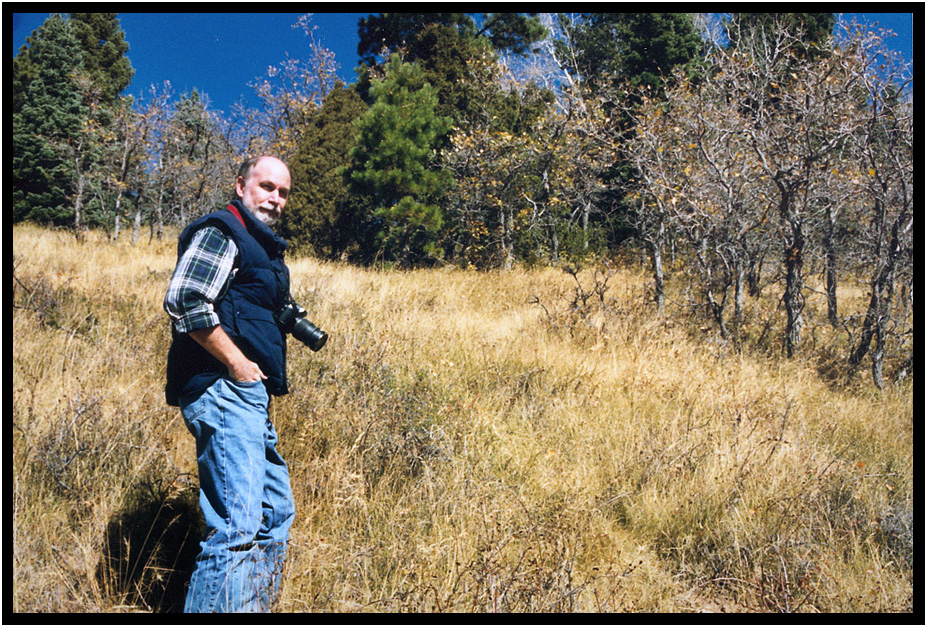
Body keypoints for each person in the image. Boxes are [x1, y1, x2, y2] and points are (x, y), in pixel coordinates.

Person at [164, 156, 297, 613]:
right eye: (266, 187)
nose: (275, 199)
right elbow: (185, 299)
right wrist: (238, 364)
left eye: (283, 192)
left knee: (274, 516)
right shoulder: (222, 231)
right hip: (223, 387)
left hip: (248, 395)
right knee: (237, 525)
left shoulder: (262, 248)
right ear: (241, 186)